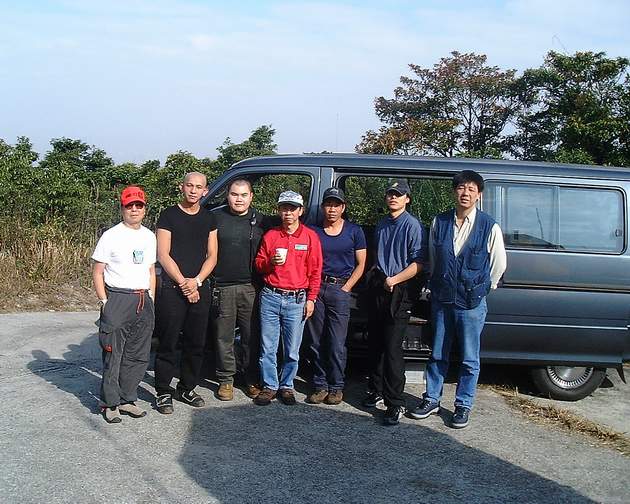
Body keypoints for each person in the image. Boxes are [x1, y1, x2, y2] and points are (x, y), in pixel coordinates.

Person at [408, 170, 506, 429]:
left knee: (469, 358)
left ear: (479, 195)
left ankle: (463, 404)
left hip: (472, 303)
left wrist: (482, 289)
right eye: (462, 188)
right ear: (454, 192)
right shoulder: (439, 222)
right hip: (442, 299)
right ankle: (432, 399)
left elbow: (498, 265)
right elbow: (433, 257)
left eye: (471, 189)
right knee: (437, 353)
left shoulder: (489, 226)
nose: (466, 193)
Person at [362, 179, 426, 426]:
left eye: (398, 194)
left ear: (407, 199)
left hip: (399, 290)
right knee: (376, 343)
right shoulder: (382, 224)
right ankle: (376, 390)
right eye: (390, 193)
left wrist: (394, 280)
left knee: (392, 348)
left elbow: (419, 263)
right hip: (380, 287)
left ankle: (395, 402)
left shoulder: (412, 225)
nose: (393, 197)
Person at [92, 186, 157, 423]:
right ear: (122, 208)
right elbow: (98, 272)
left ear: (144, 209)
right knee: (113, 354)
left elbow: (151, 270)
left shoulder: (149, 236)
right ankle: (110, 403)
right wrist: (105, 302)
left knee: (138, 354)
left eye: (139, 205)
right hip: (118, 298)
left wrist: (151, 298)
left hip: (143, 299)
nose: (134, 210)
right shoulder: (111, 235)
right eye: (130, 206)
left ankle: (128, 398)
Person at [153, 172, 217, 414]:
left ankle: (187, 387)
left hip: (199, 287)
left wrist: (197, 282)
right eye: (189, 185)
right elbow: (163, 254)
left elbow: (213, 255)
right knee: (168, 342)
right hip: (173, 288)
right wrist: (184, 283)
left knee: (196, 342)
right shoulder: (168, 215)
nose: (193, 190)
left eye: (198, 187)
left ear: (205, 191)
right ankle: (162, 391)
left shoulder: (209, 218)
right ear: (182, 187)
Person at [253, 191, 322, 406]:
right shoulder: (271, 236)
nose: (288, 212)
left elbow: (316, 271)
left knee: (292, 349)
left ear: (300, 211)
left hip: (297, 299)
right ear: (279, 210)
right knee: (268, 347)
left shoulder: (310, 237)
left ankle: (286, 385)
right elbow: (259, 265)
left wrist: (311, 298)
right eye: (284, 208)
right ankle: (270, 385)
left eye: (292, 208)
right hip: (271, 296)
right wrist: (271, 262)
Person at [208, 179, 268, 401]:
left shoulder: (262, 220)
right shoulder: (215, 217)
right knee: (223, 337)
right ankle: (225, 380)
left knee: (251, 336)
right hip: (223, 286)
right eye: (234, 194)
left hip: (251, 287)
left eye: (243, 195)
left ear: (251, 196)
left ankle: (251, 377)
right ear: (228, 195)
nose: (239, 199)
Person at [305, 187, 366, 405]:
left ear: (343, 207)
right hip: (317, 288)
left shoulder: (354, 231)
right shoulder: (313, 231)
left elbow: (361, 264)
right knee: (316, 340)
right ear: (323, 207)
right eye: (328, 205)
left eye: (336, 205)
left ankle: (336, 386)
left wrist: (347, 287)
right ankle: (320, 385)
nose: (332, 209)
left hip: (340, 289)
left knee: (337, 342)